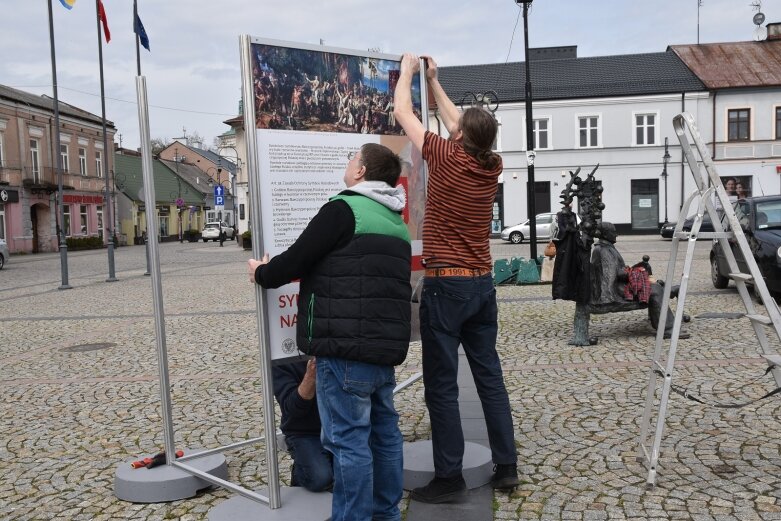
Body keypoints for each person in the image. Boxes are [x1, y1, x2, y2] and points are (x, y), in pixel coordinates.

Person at [248, 142, 411, 521]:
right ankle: (386, 514)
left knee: (348, 442)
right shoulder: (396, 221)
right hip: (382, 351)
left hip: (344, 349)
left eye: (352, 159)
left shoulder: (344, 208)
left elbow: (298, 258)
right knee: (385, 435)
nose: (349, 163)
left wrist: (261, 272)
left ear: (361, 172)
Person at [393, 53, 519, 504]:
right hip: (482, 284)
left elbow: (402, 114)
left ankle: (449, 477)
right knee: (489, 377)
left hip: (446, 286)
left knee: (442, 384)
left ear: (459, 136)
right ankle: (507, 467)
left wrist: (408, 74)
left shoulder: (446, 155)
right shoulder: (491, 165)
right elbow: (459, 124)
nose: (452, 127)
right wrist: (434, 82)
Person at [589, 222, 689, 339]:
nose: (616, 234)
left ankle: (663, 313)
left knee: (655, 285)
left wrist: (636, 268)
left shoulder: (605, 247)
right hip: (616, 289)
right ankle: (667, 329)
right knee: (655, 289)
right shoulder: (604, 250)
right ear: (605, 234)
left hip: (617, 284)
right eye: (613, 232)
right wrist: (636, 271)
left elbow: (618, 271)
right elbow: (615, 275)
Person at [273, 358, 333, 492]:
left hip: (340, 426)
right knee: (320, 477)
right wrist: (310, 377)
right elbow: (292, 409)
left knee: (359, 471)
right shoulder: (282, 358)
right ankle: (300, 473)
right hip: (303, 431)